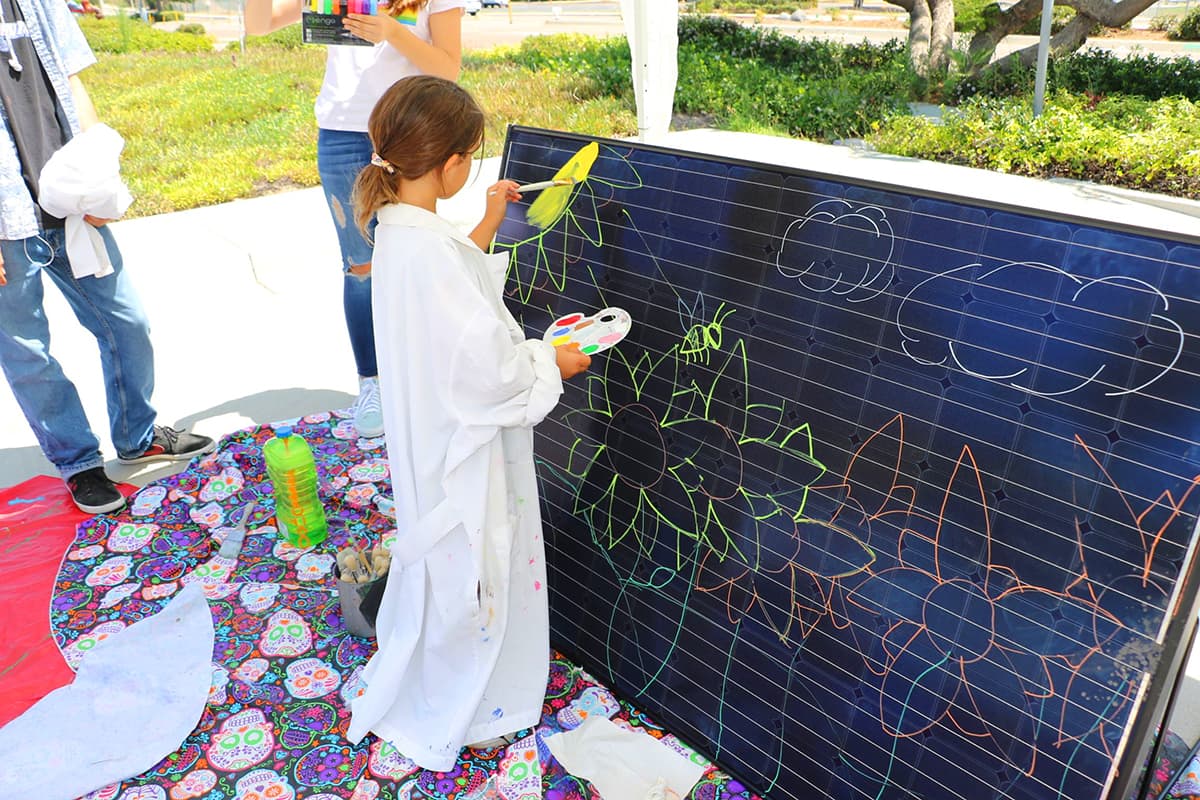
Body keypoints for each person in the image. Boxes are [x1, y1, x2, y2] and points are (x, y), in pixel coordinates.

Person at [344, 75, 592, 769]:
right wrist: (553, 360)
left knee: (449, 557)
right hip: (459, 447)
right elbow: (488, 370)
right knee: (471, 562)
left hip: (425, 437)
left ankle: (450, 667)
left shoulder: (399, 227)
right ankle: (476, 699)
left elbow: (453, 284)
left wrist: (485, 223)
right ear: (450, 163)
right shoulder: (424, 251)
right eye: (472, 158)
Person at [0, 0, 214, 513]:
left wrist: (99, 184)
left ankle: (137, 436)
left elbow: (74, 84)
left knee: (126, 322)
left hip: (69, 204)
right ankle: (79, 463)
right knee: (28, 352)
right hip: (8, 218)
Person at [243, 0, 465, 439]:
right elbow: (259, 23)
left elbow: (448, 70)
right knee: (360, 266)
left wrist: (393, 32)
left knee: (418, 255)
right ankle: (374, 383)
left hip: (409, 129)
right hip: (342, 135)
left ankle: (429, 376)